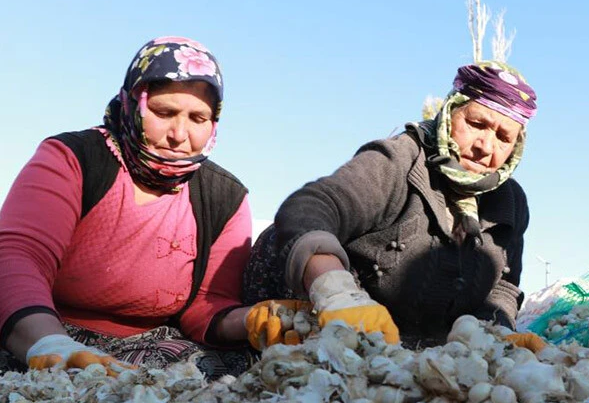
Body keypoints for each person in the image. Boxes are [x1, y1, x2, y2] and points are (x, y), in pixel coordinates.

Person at [0, 37, 259, 378]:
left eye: (198, 118)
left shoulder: (226, 197)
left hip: (147, 345)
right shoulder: (73, 158)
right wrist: (50, 345)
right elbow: (19, 255)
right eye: (164, 112)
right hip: (41, 328)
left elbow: (210, 305)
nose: (180, 134)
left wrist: (255, 320)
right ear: (132, 102)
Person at [243, 61, 544, 350]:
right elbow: (310, 208)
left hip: (416, 355)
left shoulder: (511, 202)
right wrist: (335, 292)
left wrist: (496, 331)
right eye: (476, 124)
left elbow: (502, 286)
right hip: (341, 331)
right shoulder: (400, 160)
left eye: (504, 138)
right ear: (451, 110)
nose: (486, 147)